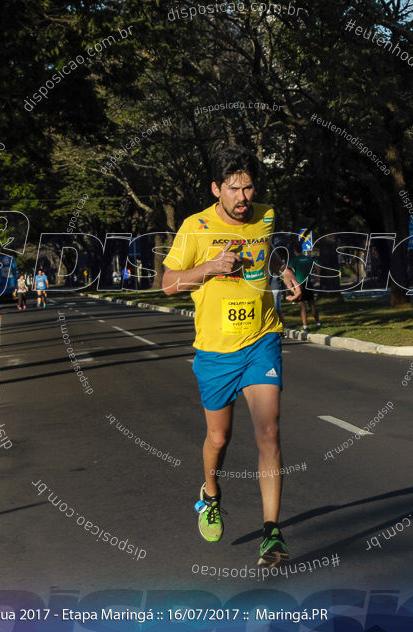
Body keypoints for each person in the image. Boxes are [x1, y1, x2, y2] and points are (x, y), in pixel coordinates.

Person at [161, 145, 301, 567]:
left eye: (249, 187)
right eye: (234, 189)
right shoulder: (194, 227)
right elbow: (167, 284)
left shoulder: (266, 214)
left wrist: (283, 270)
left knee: (269, 431)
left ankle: (271, 534)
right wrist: (211, 268)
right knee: (219, 438)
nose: (243, 197)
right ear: (216, 189)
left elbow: (267, 247)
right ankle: (211, 493)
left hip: (262, 339)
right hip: (216, 351)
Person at [288, 245, 321, 332]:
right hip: (308, 283)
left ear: (295, 250)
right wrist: (316, 279)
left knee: (302, 305)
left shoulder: (294, 261)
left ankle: (305, 326)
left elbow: (290, 272)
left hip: (299, 284)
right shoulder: (308, 259)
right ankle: (318, 323)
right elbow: (318, 268)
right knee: (312, 303)